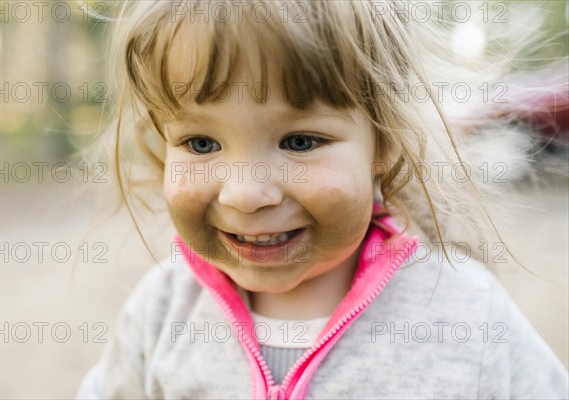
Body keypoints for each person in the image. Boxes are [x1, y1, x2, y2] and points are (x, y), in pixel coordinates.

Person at [76, 1, 569, 398]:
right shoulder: (161, 312)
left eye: (300, 142)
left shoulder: (467, 316)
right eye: (201, 143)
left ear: (386, 141)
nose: (245, 195)